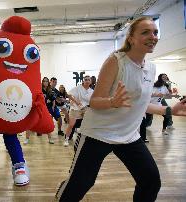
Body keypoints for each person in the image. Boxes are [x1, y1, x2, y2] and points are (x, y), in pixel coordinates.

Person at [56, 17, 186, 201]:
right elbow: (94, 101)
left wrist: (169, 111)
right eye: (145, 32)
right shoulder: (116, 60)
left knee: (150, 181)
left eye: (155, 32)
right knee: (80, 183)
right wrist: (112, 102)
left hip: (129, 136)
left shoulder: (151, 68)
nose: (153, 36)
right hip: (97, 134)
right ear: (131, 38)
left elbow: (138, 104)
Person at [63, 75, 93, 147]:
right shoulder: (78, 88)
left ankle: (85, 140)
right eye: (85, 79)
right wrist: (75, 101)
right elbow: (69, 94)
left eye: (88, 79)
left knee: (87, 125)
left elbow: (92, 101)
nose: (87, 81)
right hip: (75, 108)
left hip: (85, 109)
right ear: (83, 81)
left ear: (90, 81)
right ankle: (66, 140)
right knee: (71, 125)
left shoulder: (92, 91)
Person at [23, 77, 54, 144]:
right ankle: (27, 139)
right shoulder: (39, 88)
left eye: (46, 81)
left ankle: (50, 138)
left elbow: (52, 99)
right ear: (42, 82)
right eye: (44, 81)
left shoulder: (49, 90)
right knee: (30, 123)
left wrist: (52, 106)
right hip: (37, 107)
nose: (45, 82)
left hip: (45, 109)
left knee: (47, 123)